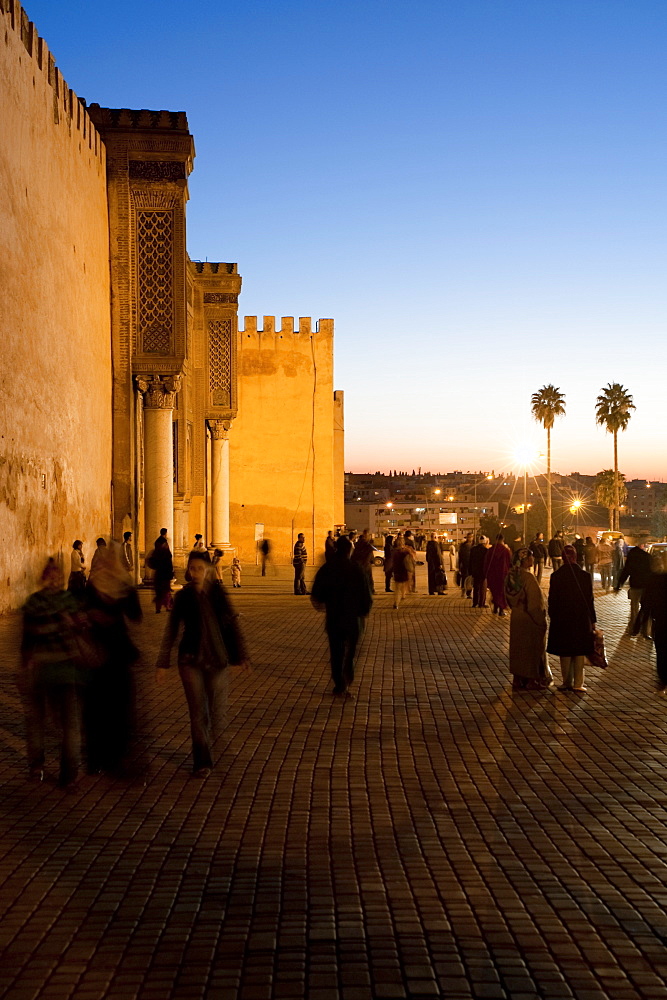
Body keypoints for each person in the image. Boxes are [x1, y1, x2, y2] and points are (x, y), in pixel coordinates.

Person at [156, 550, 249, 777]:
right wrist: (163, 662)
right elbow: (172, 629)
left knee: (216, 711)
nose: (195, 572)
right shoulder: (184, 597)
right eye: (192, 568)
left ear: (207, 569)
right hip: (190, 660)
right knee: (198, 712)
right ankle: (202, 761)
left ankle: (215, 744)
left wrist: (240, 656)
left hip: (216, 659)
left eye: (199, 568)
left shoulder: (217, 593)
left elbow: (230, 623)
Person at [19, 559, 85, 788]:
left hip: (58, 670)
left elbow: (29, 639)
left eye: (57, 576)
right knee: (55, 723)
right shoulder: (46, 602)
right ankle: (51, 769)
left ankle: (55, 770)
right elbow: (29, 638)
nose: (54, 580)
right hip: (50, 670)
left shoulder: (42, 602)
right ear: (45, 578)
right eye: (51, 576)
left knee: (58, 724)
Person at [82, 544, 142, 776]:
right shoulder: (91, 585)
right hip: (94, 655)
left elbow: (135, 615)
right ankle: (96, 759)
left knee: (120, 709)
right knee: (95, 711)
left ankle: (117, 756)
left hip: (118, 654)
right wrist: (89, 616)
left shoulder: (124, 585)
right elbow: (80, 609)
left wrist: (124, 589)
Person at [311, 535, 373, 697]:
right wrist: (365, 609)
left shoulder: (328, 567)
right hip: (353, 618)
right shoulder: (356, 568)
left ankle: (339, 683)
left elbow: (317, 592)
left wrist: (322, 603)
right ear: (349, 550)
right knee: (350, 650)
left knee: (336, 652)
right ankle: (347, 674)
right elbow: (366, 593)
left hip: (334, 617)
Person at [547, 544, 595, 693]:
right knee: (579, 650)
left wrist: (552, 615)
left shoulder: (556, 576)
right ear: (575, 557)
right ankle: (578, 683)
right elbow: (590, 600)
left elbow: (552, 599)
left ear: (562, 558)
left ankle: (566, 681)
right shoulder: (585, 576)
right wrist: (593, 620)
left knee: (565, 650)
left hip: (562, 618)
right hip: (581, 617)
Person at [504, 549, 552, 690]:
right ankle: (532, 680)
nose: (533, 560)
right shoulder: (528, 578)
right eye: (531, 558)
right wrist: (540, 620)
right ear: (525, 560)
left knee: (518, 649)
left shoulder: (511, 576)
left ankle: (518, 679)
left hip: (517, 617)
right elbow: (534, 604)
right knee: (532, 650)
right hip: (530, 619)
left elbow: (506, 596)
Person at [614, 541, 652, 636]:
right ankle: (645, 630)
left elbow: (626, 571)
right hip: (646, 586)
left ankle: (634, 629)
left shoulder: (632, 558)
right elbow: (652, 572)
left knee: (634, 608)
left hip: (635, 585)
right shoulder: (647, 557)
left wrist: (619, 584)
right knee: (645, 608)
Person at [641, 564, 667, 692]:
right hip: (661, 621)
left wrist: (642, 620)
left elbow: (646, 601)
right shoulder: (656, 579)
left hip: (661, 621)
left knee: (661, 651)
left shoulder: (656, 579)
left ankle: (663, 678)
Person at [483, 534, 512, 616]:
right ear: (503, 540)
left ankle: (496, 607)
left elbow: (486, 562)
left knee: (494, 591)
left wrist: (486, 573)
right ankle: (501, 609)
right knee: (501, 592)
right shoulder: (506, 550)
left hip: (492, 574)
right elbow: (510, 562)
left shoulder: (491, 550)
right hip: (503, 574)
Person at [150, 532, 174, 613]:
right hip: (165, 574)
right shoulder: (166, 554)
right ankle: (167, 606)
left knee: (159, 592)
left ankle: (158, 608)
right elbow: (169, 564)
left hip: (159, 574)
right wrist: (171, 573)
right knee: (165, 591)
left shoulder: (157, 552)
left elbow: (151, 562)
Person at [391, 541, 415, 610]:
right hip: (404, 572)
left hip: (396, 572)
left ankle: (397, 602)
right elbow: (413, 558)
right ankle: (399, 600)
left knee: (397, 588)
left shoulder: (394, 553)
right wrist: (409, 550)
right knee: (402, 586)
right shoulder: (405, 553)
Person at [351, 529, 375, 594]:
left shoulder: (358, 544)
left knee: (362, 578)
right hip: (365, 564)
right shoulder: (367, 544)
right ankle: (370, 590)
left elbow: (355, 554)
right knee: (368, 578)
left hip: (360, 563)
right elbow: (369, 554)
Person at [469, 535, 490, 608]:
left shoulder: (473, 549)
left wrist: (470, 571)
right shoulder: (486, 550)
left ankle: (475, 603)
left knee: (476, 587)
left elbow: (470, 561)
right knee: (483, 588)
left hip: (475, 571)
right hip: (483, 572)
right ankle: (481, 603)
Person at [458, 533, 474, 598]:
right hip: (464, 565)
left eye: (471, 537)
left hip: (471, 565)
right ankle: (463, 591)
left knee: (470, 580)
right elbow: (460, 556)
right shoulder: (463, 546)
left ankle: (469, 593)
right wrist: (459, 565)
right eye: (468, 537)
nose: (469, 538)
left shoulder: (474, 546)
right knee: (464, 579)